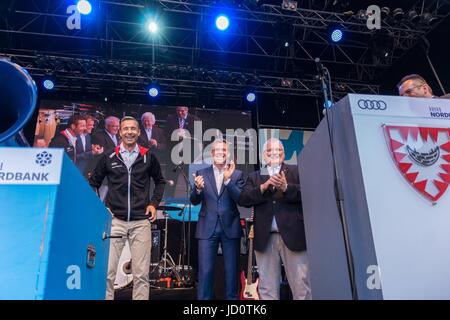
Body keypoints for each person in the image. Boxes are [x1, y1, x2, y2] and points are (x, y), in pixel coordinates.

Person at [89, 116, 166, 300]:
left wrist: (153, 204)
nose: (129, 132)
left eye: (133, 129)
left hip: (141, 223)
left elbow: (160, 181)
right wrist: (101, 208)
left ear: (139, 132)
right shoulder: (109, 156)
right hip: (115, 222)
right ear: (120, 132)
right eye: (126, 129)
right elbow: (93, 183)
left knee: (141, 275)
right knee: (107, 274)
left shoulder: (148, 156)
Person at [239, 138, 311, 300]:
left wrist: (287, 188)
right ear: (263, 156)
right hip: (264, 239)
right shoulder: (255, 176)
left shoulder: (296, 171)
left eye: (278, 150)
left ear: (284, 154)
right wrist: (263, 188)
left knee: (302, 287)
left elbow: (308, 194)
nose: (274, 153)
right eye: (269, 151)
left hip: (294, 236)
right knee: (266, 289)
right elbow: (243, 199)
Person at [190, 139, 245, 300]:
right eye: (217, 150)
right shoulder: (202, 173)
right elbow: (194, 200)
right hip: (207, 227)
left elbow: (241, 199)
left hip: (231, 227)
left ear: (227, 154)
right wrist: (198, 190)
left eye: (224, 150)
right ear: (212, 154)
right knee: (205, 271)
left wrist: (228, 181)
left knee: (231, 272)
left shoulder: (237, 174)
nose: (221, 152)